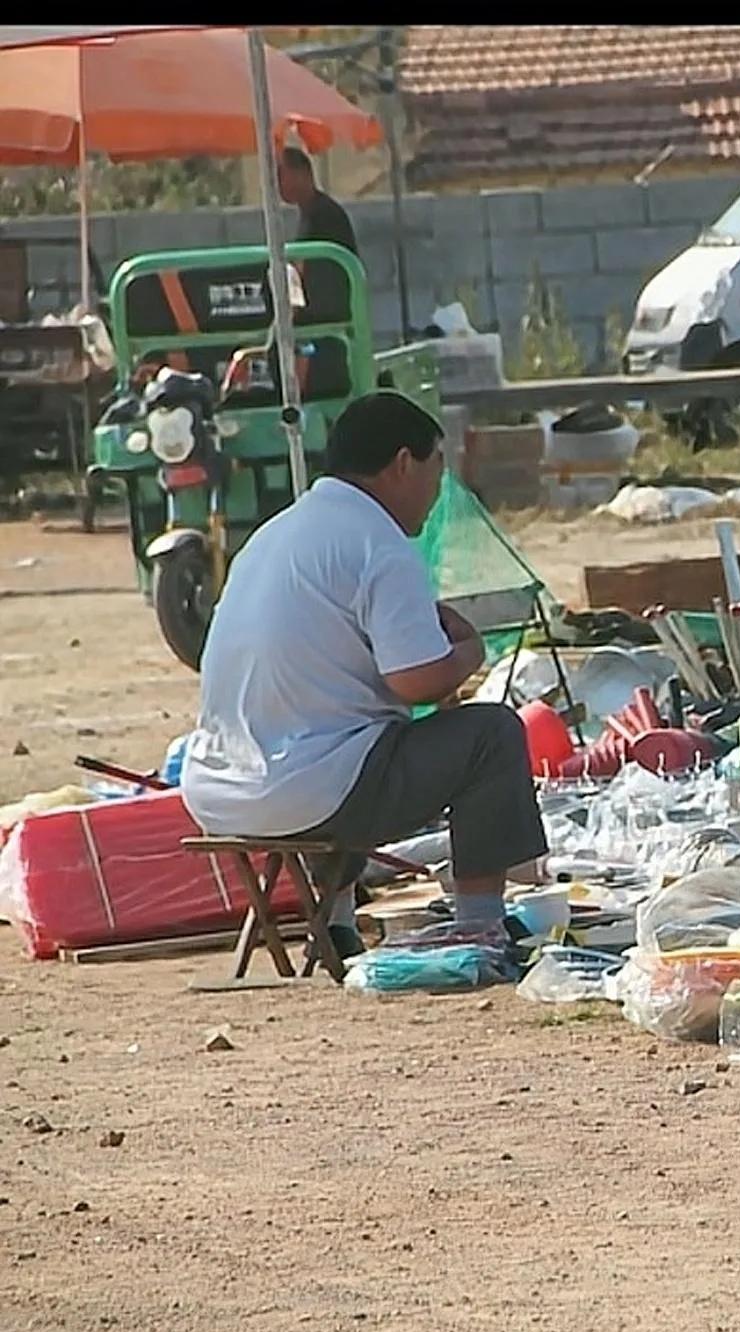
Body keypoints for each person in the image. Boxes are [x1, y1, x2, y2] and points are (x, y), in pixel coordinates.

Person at [181, 392, 546, 953]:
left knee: (349, 728)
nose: (437, 490)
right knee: (492, 733)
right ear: (403, 463)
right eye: (436, 468)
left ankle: (336, 922)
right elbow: (419, 682)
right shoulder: (379, 542)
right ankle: (481, 921)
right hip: (311, 791)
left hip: (218, 790)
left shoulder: (273, 535)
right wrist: (469, 651)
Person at [278, 145, 358, 256]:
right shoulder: (311, 211)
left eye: (280, 174)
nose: (276, 183)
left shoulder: (326, 215)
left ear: (302, 174)